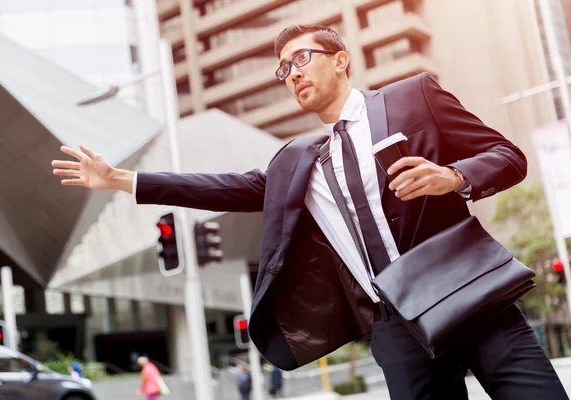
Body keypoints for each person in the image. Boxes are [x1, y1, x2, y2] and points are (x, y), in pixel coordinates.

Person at [52, 24, 569, 399]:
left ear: (340, 59)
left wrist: (454, 177)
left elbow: (507, 156)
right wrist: (122, 180)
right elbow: (226, 187)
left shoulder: (415, 98)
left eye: (301, 59)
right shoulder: (301, 161)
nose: (291, 74)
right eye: (283, 69)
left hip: (469, 296)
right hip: (395, 325)